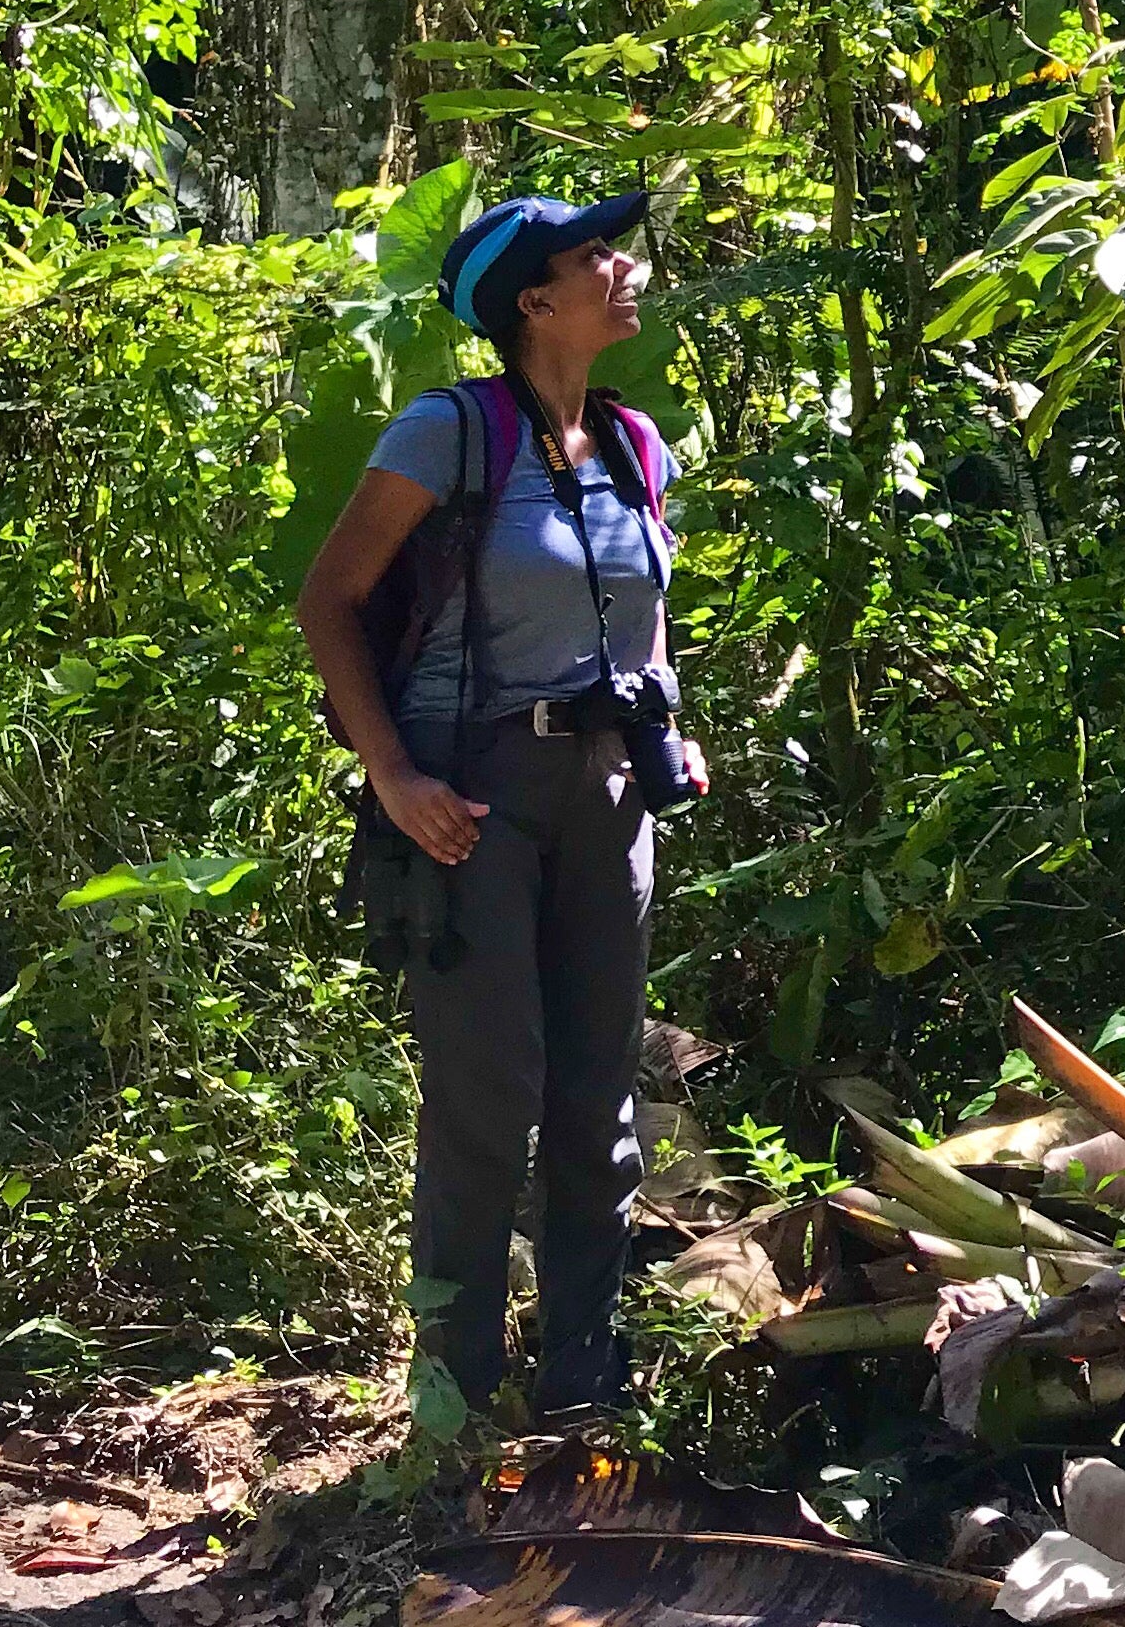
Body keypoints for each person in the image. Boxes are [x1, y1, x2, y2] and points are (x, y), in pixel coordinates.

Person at [294, 189, 705, 1422]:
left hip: (609, 794)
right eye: (596, 255)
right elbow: (330, 602)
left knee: (598, 1090)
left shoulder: (638, 445)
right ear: (534, 300)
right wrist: (394, 776)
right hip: (471, 793)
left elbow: (645, 609)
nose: (623, 266)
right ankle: (454, 1395)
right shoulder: (450, 432)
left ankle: (584, 1373)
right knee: (491, 1088)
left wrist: (668, 731)